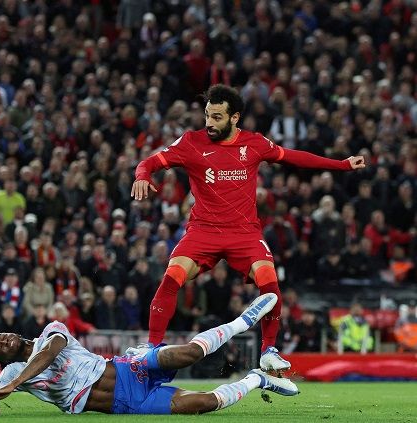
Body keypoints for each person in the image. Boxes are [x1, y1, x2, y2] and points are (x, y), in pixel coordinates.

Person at [131, 84, 366, 372]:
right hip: (203, 231)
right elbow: (149, 162)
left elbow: (294, 156)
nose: (209, 123)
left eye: (217, 117)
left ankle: (268, 351)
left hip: (244, 233)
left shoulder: (254, 144)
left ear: (235, 118)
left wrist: (342, 165)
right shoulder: (191, 142)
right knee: (172, 277)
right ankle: (152, 348)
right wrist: (142, 175)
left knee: (270, 285)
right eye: (207, 115)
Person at [0, 293, 298, 416]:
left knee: (188, 354)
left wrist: (12, 386)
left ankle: (243, 321)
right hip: (128, 404)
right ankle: (257, 379)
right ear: (2, 359)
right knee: (204, 404)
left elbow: (47, 354)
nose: (4, 338)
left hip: (128, 369)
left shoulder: (52, 331)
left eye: (3, 335)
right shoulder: (10, 376)